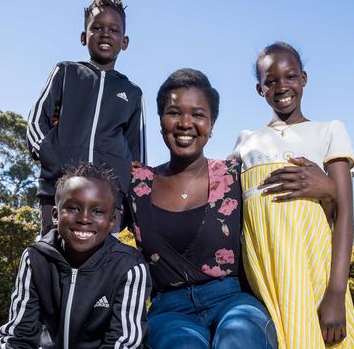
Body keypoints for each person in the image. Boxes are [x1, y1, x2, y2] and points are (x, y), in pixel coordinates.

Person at [125, 68, 328, 348]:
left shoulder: (236, 175)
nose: (186, 123)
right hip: (169, 311)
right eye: (174, 113)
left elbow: (293, 216)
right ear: (160, 122)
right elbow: (87, 216)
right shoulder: (135, 183)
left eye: (198, 114)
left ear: (211, 125)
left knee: (240, 339)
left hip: (232, 301)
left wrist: (330, 188)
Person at [231, 42, 354, 348]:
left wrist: (336, 294)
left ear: (303, 78)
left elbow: (345, 215)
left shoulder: (329, 131)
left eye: (290, 77)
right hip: (264, 282)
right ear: (259, 89)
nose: (282, 86)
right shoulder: (246, 142)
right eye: (271, 81)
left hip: (314, 276)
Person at [26, 0, 146, 236]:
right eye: (97, 28)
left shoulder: (131, 92)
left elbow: (137, 156)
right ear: (84, 37)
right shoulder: (65, 72)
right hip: (58, 192)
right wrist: (50, 154)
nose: (105, 34)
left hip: (108, 200)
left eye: (114, 29)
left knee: (102, 269)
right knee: (52, 258)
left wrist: (123, 185)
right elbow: (36, 121)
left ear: (124, 41)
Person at [0, 163, 151, 349]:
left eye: (98, 211)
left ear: (112, 221)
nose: (84, 219)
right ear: (55, 215)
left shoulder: (128, 266)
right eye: (73, 208)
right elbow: (18, 334)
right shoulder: (35, 258)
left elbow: (124, 343)